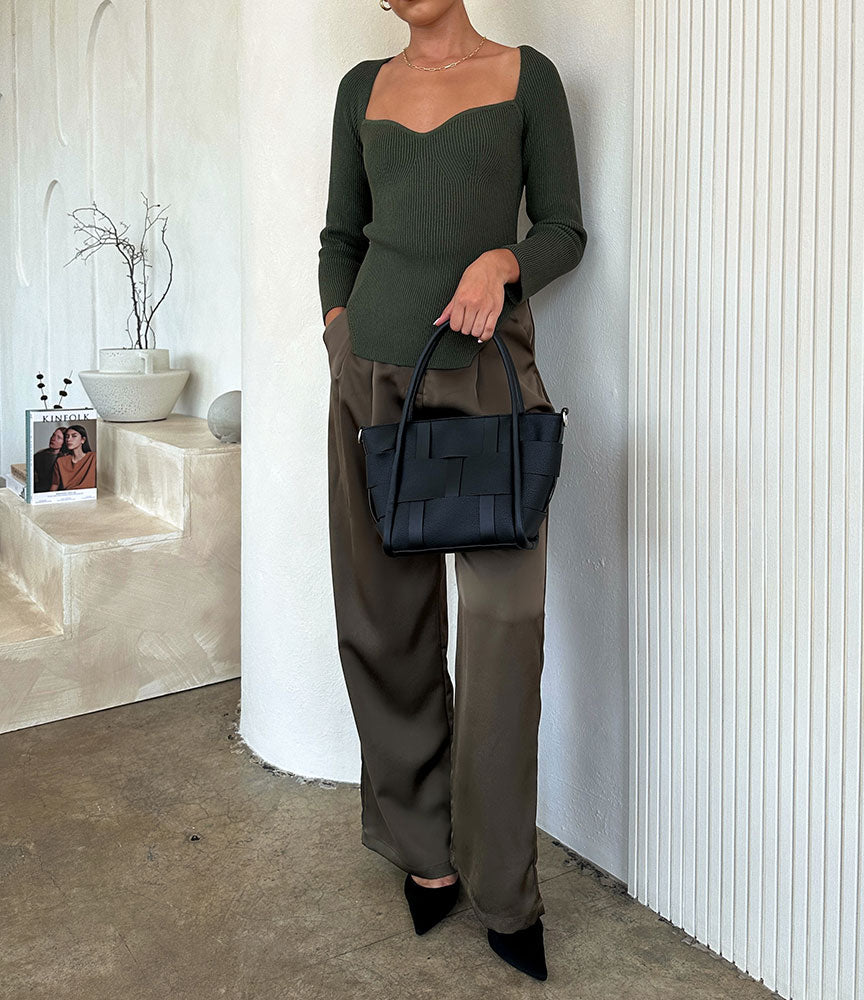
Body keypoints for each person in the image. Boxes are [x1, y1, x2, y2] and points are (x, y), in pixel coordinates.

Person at [318, 0, 586, 981]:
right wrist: (339, 332)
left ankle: (501, 879)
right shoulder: (361, 89)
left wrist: (503, 259)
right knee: (384, 620)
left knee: (504, 624)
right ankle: (422, 855)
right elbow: (338, 236)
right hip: (372, 381)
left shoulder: (527, 77)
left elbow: (564, 228)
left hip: (485, 381)